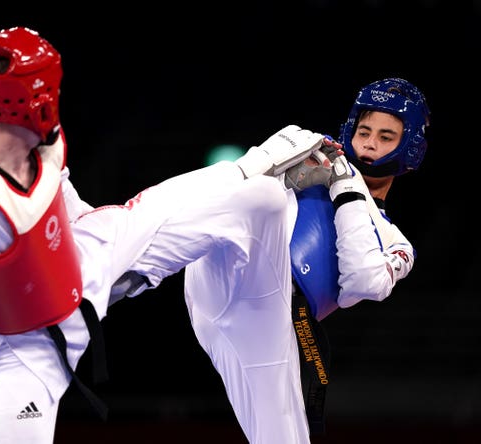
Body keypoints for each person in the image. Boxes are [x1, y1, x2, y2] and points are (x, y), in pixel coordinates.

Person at [0, 26, 339, 444]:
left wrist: (115, 265)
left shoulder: (46, 137)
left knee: (251, 193)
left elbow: (58, 200)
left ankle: (257, 167)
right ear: (35, 96)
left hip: (93, 246)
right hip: (29, 338)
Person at [115, 77, 430, 443]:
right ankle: (126, 256)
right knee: (261, 188)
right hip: (225, 272)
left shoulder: (396, 243)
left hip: (271, 323)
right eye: (364, 131)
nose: (370, 143)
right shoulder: (315, 154)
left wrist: (347, 188)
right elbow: (229, 193)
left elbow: (360, 285)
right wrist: (269, 165)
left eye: (386, 137)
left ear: (408, 148)